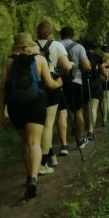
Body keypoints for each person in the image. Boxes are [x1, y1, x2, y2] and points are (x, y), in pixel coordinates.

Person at [0, 32, 62, 199]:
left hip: (15, 106)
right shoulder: (39, 60)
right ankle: (34, 178)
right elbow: (49, 84)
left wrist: (1, 114)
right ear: (28, 46)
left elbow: (3, 90)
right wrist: (59, 82)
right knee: (35, 142)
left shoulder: (8, 62)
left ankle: (28, 176)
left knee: (26, 142)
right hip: (36, 104)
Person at [35, 21, 73, 171]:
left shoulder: (31, 46)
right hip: (52, 83)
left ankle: (50, 155)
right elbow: (66, 66)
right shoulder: (57, 45)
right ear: (51, 33)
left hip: (35, 85)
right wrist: (71, 65)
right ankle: (43, 162)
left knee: (39, 124)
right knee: (48, 124)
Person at [59, 26, 92, 151]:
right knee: (78, 111)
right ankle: (80, 138)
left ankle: (64, 145)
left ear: (61, 35)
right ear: (72, 35)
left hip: (58, 82)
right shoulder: (78, 47)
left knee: (62, 113)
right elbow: (86, 66)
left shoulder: (54, 46)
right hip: (75, 82)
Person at [83, 40, 107, 141]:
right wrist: (105, 76)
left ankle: (86, 128)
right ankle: (91, 131)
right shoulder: (98, 56)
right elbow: (103, 71)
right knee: (93, 107)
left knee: (86, 108)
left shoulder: (82, 55)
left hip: (84, 82)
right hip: (96, 83)